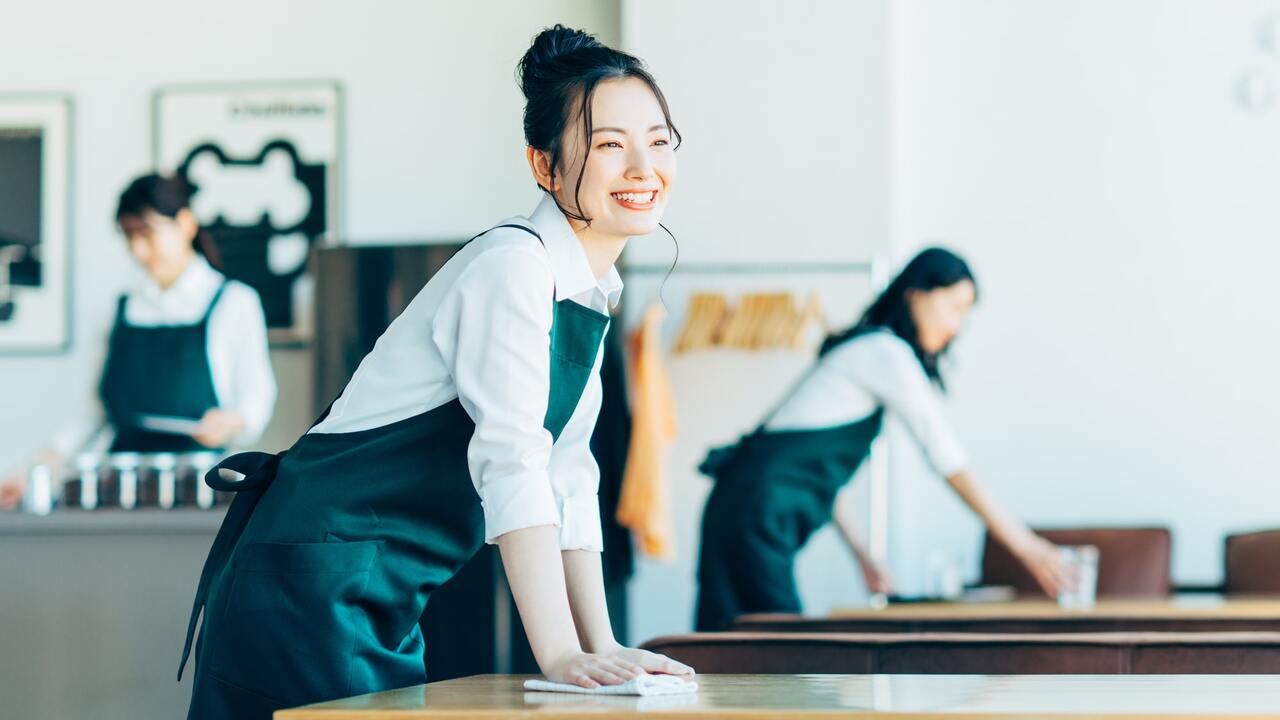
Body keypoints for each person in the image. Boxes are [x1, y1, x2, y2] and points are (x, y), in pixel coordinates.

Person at [179, 25, 693, 720]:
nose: (642, 166)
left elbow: (569, 476)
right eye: (609, 144)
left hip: (376, 591)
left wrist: (601, 645)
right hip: (310, 586)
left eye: (658, 141)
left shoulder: (589, 289)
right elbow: (512, 462)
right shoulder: (514, 268)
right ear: (543, 166)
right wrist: (561, 658)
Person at [694, 248, 1074, 631]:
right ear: (917, 294)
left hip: (743, 509)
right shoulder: (885, 353)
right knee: (773, 654)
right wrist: (1027, 546)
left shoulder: (869, 350)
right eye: (955, 307)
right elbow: (947, 458)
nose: (957, 326)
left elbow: (822, 480)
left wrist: (862, 554)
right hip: (751, 515)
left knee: (751, 649)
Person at [0, 173, 275, 508]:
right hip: (121, 486)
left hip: (201, 486)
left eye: (147, 234)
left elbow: (255, 401)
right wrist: (38, 466)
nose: (138, 250)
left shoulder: (234, 302)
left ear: (186, 224)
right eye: (129, 236)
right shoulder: (118, 308)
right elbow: (96, 409)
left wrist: (230, 422)